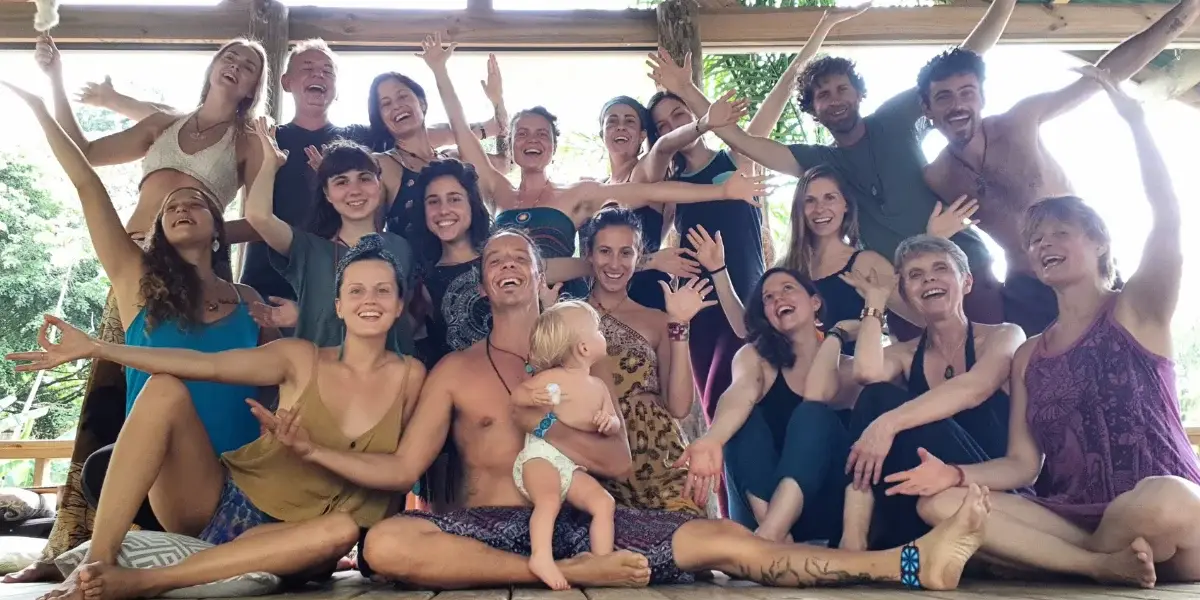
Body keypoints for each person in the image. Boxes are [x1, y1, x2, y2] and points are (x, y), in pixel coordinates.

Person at [300, 229, 991, 591]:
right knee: (386, 544)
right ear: (483, 283)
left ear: (541, 278)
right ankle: (560, 577)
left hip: (582, 524)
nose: (506, 266)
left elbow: (618, 462)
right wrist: (309, 450)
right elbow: (403, 471)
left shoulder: (585, 362)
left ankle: (903, 565)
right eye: (494, 261)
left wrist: (544, 425)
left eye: (519, 259)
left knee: (724, 541)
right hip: (485, 529)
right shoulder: (454, 370)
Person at [891, 68, 1200, 588]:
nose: (1043, 244)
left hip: (1168, 516)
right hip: (1074, 516)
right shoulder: (1030, 354)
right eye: (1034, 239)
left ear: (1099, 243)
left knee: (1161, 497)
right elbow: (1021, 465)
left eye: (1060, 233)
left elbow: (1168, 217)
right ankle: (1098, 565)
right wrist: (955, 474)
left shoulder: (1137, 310)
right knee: (939, 502)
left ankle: (1057, 558)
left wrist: (1137, 124)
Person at [7, 236, 423, 600]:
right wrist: (99, 348)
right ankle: (96, 564)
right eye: (356, 290)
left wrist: (313, 454)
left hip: (300, 537)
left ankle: (144, 582)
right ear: (338, 305)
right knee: (164, 388)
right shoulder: (300, 357)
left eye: (383, 290)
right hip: (221, 502)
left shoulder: (412, 377)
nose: (370, 300)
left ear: (400, 303)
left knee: (340, 530)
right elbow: (204, 364)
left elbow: (399, 473)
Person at [10, 37, 272, 582]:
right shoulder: (136, 286)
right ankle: (93, 562)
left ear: (218, 227)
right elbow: (87, 180)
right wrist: (42, 99)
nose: (181, 205)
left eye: (196, 201)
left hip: (240, 494)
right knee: (153, 391)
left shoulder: (250, 302)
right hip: (181, 490)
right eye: (171, 205)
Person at [685, 0, 1017, 337]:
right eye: (823, 95)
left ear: (859, 94)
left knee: (993, 359)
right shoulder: (821, 163)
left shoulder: (895, 119)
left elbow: (963, 59)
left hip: (966, 269)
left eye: (842, 89)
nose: (835, 99)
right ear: (813, 110)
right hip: (901, 295)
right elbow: (742, 141)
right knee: (923, 370)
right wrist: (686, 90)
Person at [918, 0, 1200, 336]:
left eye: (967, 93)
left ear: (982, 98)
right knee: (1037, 367)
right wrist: (933, 237)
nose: (958, 105)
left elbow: (1103, 76)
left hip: (1087, 273)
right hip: (1026, 290)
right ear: (927, 109)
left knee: (1124, 349)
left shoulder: (1021, 122)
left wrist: (1185, 14)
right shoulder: (938, 176)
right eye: (944, 97)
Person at [421, 33, 765, 301]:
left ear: (553, 147)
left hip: (563, 306)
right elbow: (463, 133)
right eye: (522, 133)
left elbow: (651, 190)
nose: (532, 140)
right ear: (510, 144)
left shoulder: (578, 194)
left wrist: (722, 190)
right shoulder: (498, 191)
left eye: (542, 134)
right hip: (504, 304)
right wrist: (440, 72)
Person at [836, 235, 1025, 552]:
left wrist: (888, 424)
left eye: (941, 268)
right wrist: (876, 302)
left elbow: (975, 388)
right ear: (906, 295)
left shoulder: (1004, 335)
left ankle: (859, 545)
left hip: (983, 487)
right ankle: (853, 540)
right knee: (875, 396)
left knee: (883, 406)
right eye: (915, 275)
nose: (929, 279)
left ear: (966, 282)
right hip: (923, 488)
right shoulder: (907, 354)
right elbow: (866, 372)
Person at [678, 267, 857, 544]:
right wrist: (712, 439)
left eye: (788, 288)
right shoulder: (755, 357)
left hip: (826, 511)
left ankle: (772, 539)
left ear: (815, 302)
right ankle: (775, 537)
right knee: (742, 420)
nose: (778, 299)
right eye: (768, 297)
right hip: (758, 508)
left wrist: (838, 335)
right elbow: (741, 392)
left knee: (813, 415)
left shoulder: (850, 369)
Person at [243, 119, 416, 354]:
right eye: (341, 182)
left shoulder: (401, 248)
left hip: (397, 373)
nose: (355, 190)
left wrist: (305, 313)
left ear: (379, 183)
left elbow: (407, 317)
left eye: (364, 178)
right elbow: (258, 216)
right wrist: (270, 164)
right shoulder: (308, 250)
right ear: (327, 193)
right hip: (323, 374)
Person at [578, 208, 709, 516]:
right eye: (605, 251)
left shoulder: (657, 320)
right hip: (597, 455)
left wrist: (679, 325)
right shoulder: (568, 317)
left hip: (659, 452)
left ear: (639, 257)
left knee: (691, 532)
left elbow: (679, 407)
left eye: (626, 252)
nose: (615, 263)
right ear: (589, 255)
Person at [511, 301, 621, 590]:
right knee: (548, 500)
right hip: (539, 456)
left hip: (570, 465)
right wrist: (532, 398)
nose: (603, 334)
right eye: (598, 330)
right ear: (583, 348)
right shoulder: (553, 379)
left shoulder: (599, 387)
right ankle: (541, 557)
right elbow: (517, 396)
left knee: (604, 503)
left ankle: (602, 561)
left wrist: (609, 423)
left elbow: (614, 423)